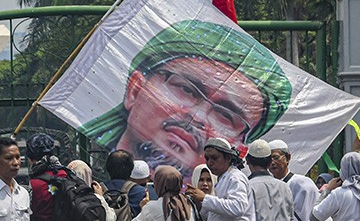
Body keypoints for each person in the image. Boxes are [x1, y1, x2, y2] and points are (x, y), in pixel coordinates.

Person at [79, 19, 292, 179]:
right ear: (135, 90)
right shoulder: (88, 178)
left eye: (225, 116)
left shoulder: (231, 192)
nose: (197, 116)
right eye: (186, 89)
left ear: (240, 147)